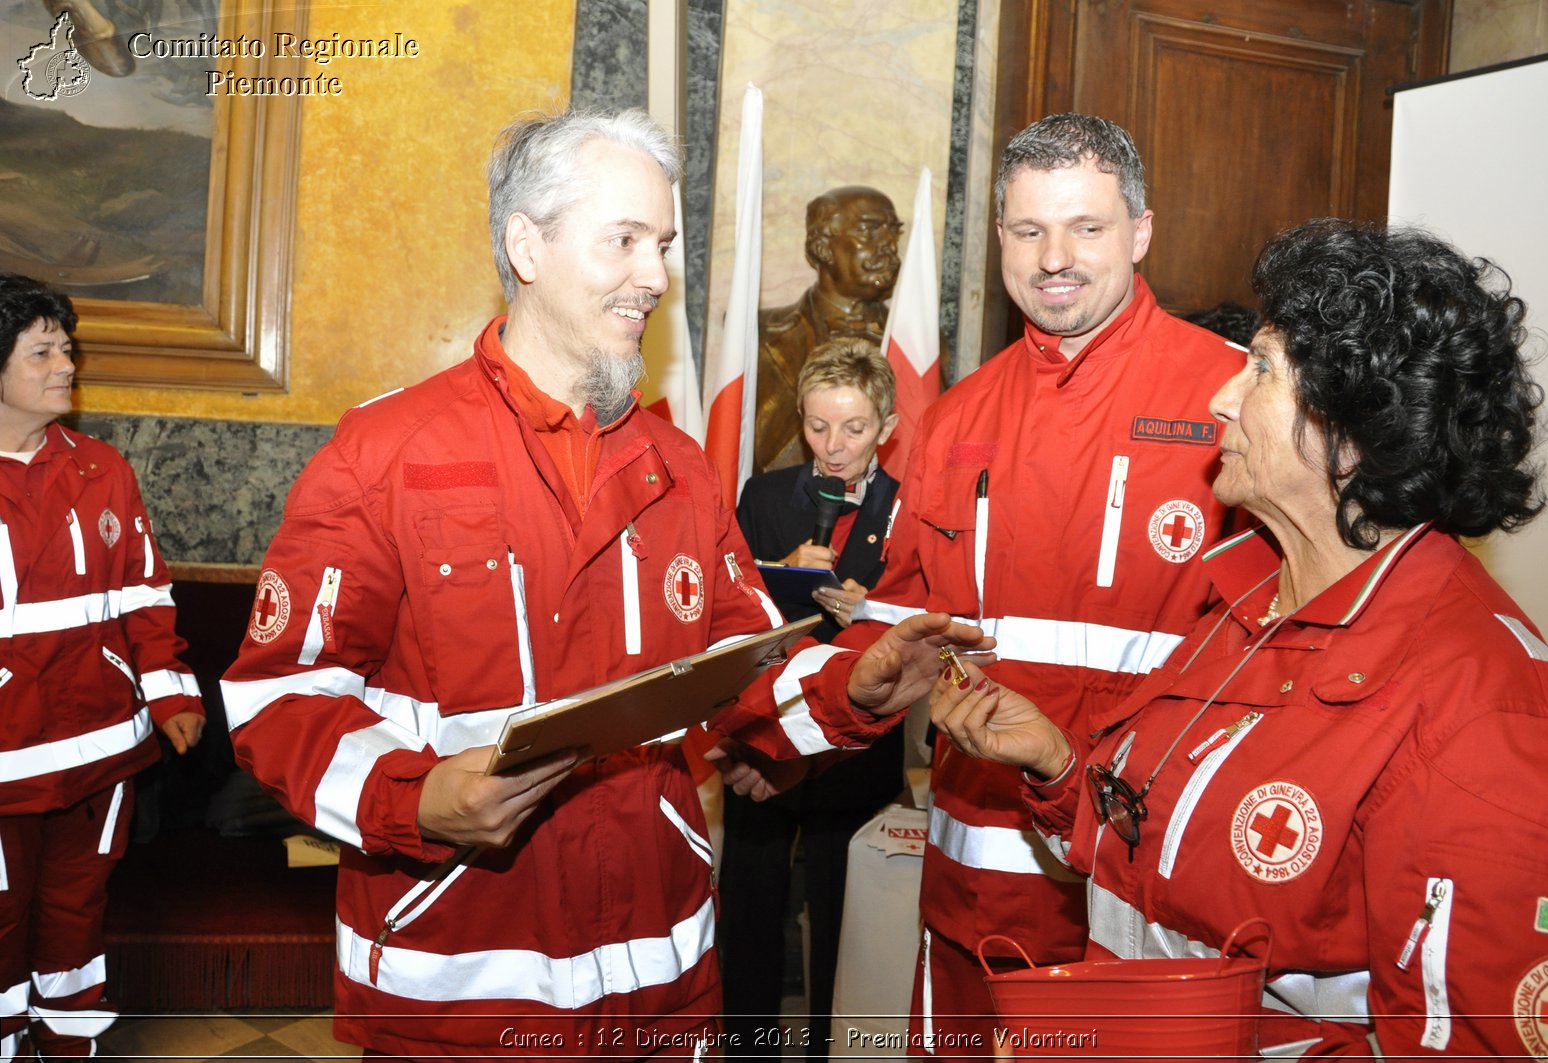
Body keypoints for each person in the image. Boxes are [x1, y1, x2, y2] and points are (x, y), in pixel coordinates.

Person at [218, 109, 983, 1059]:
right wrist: (411, 798)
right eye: (623, 240)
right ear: (526, 243)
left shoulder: (681, 465)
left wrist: (851, 687)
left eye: (660, 244)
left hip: (658, 975)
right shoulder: (385, 454)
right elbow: (282, 696)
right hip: (461, 971)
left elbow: (735, 668)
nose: (657, 277)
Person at [929, 219, 1548, 1058]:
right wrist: (1060, 767)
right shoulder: (1244, 606)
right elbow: (1168, 873)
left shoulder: (1494, 714)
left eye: (1261, 368)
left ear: (1356, 431)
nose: (1219, 395)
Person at [730, 113, 1245, 1057]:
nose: (1056, 257)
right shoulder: (959, 414)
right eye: (1027, 230)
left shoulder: (1235, 399)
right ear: (999, 238)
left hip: (1148, 903)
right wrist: (784, 735)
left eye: (1086, 227)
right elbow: (892, 627)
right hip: (975, 900)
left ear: (1141, 232)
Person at [0, 273, 205, 1061]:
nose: (66, 365)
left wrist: (171, 693)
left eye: (68, 348)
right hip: (7, 752)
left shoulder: (101, 471)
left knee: (77, 905)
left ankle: (70, 1039)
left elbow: (146, 596)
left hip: (97, 747)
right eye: (43, 351)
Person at [721, 337, 904, 1058]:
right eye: (818, 426)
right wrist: (773, 575)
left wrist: (876, 610)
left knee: (843, 918)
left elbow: (935, 617)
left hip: (857, 743)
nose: (833, 446)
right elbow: (725, 610)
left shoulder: (912, 507)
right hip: (765, 731)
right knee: (753, 914)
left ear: (886, 427)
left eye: (854, 428)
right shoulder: (764, 496)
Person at [754, 187, 901, 474]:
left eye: (892, 232)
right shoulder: (764, 335)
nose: (889, 246)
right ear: (822, 248)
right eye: (868, 231)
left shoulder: (920, 349)